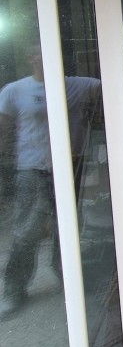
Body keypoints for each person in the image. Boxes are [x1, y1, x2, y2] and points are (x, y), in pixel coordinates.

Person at [0, 44, 101, 318]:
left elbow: (112, 89)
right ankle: (13, 290)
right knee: (27, 229)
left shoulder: (79, 86)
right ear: (29, 57)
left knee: (68, 228)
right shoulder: (15, 91)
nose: (44, 58)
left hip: (69, 169)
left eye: (51, 52)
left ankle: (67, 279)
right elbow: (3, 132)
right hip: (32, 170)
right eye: (38, 53)